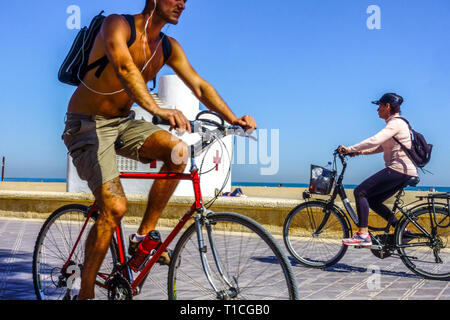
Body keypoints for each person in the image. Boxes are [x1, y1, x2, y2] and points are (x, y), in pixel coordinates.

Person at [62, 0, 257, 300]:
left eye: (186, 0)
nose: (182, 3)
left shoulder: (168, 46)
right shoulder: (116, 24)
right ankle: (84, 294)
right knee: (113, 207)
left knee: (178, 152)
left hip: (122, 123)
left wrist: (233, 119)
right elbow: (125, 68)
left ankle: (142, 236)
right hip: (86, 125)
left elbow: (199, 86)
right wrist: (157, 109)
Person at [338, 93, 417, 247]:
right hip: (403, 171)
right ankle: (403, 230)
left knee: (360, 192)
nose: (377, 110)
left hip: (399, 169)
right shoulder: (394, 124)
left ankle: (363, 234)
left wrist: (349, 149)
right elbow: (381, 147)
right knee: (373, 200)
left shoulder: (396, 123)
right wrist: (358, 152)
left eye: (379, 106)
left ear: (387, 106)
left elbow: (375, 140)